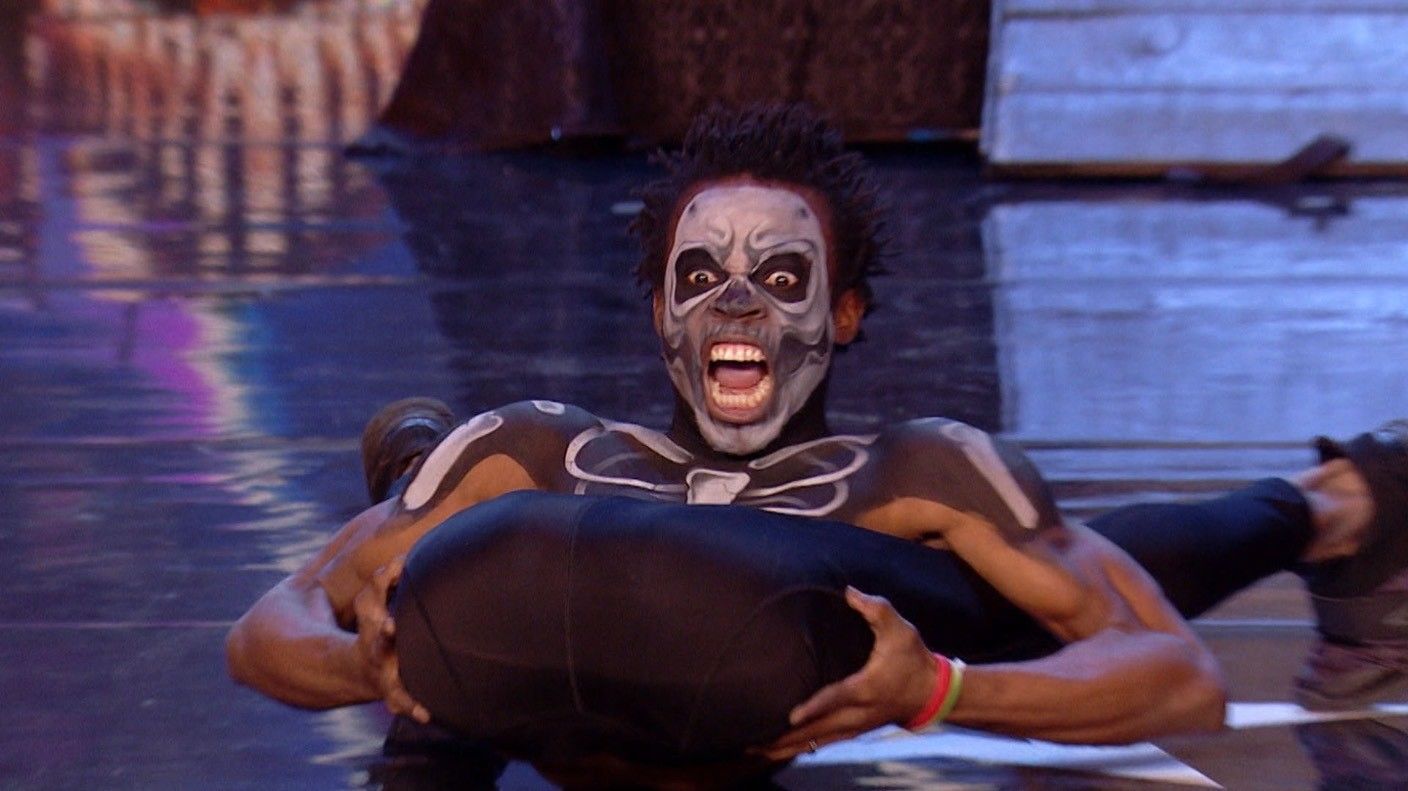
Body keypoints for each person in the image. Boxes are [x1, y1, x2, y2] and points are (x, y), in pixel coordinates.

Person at [225, 104, 1408, 785]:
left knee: (1005, 595)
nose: (736, 303)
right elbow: (267, 629)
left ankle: (1342, 501)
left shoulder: (913, 475)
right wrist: (364, 664)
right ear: (658, 311)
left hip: (767, 675)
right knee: (447, 640)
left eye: (780, 278)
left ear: (843, 313)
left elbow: (1175, 675)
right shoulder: (532, 453)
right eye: (701, 277)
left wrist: (938, 689)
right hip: (547, 677)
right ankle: (412, 481)